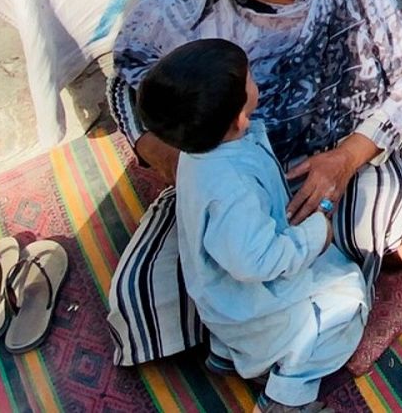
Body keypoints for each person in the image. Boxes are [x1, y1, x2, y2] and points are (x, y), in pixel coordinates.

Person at [106, 0, 402, 368]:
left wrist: (346, 158)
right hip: (234, 176)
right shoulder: (181, 16)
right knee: (150, 290)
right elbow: (126, 84)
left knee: (385, 209)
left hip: (334, 161)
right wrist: (169, 157)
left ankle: (280, 320)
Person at [138, 39, 368, 413]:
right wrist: (316, 234)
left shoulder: (201, 152)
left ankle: (230, 353)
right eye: (250, 81)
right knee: (347, 302)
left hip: (227, 300)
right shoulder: (233, 187)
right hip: (252, 306)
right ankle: (286, 395)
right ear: (238, 118)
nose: (255, 81)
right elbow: (255, 262)